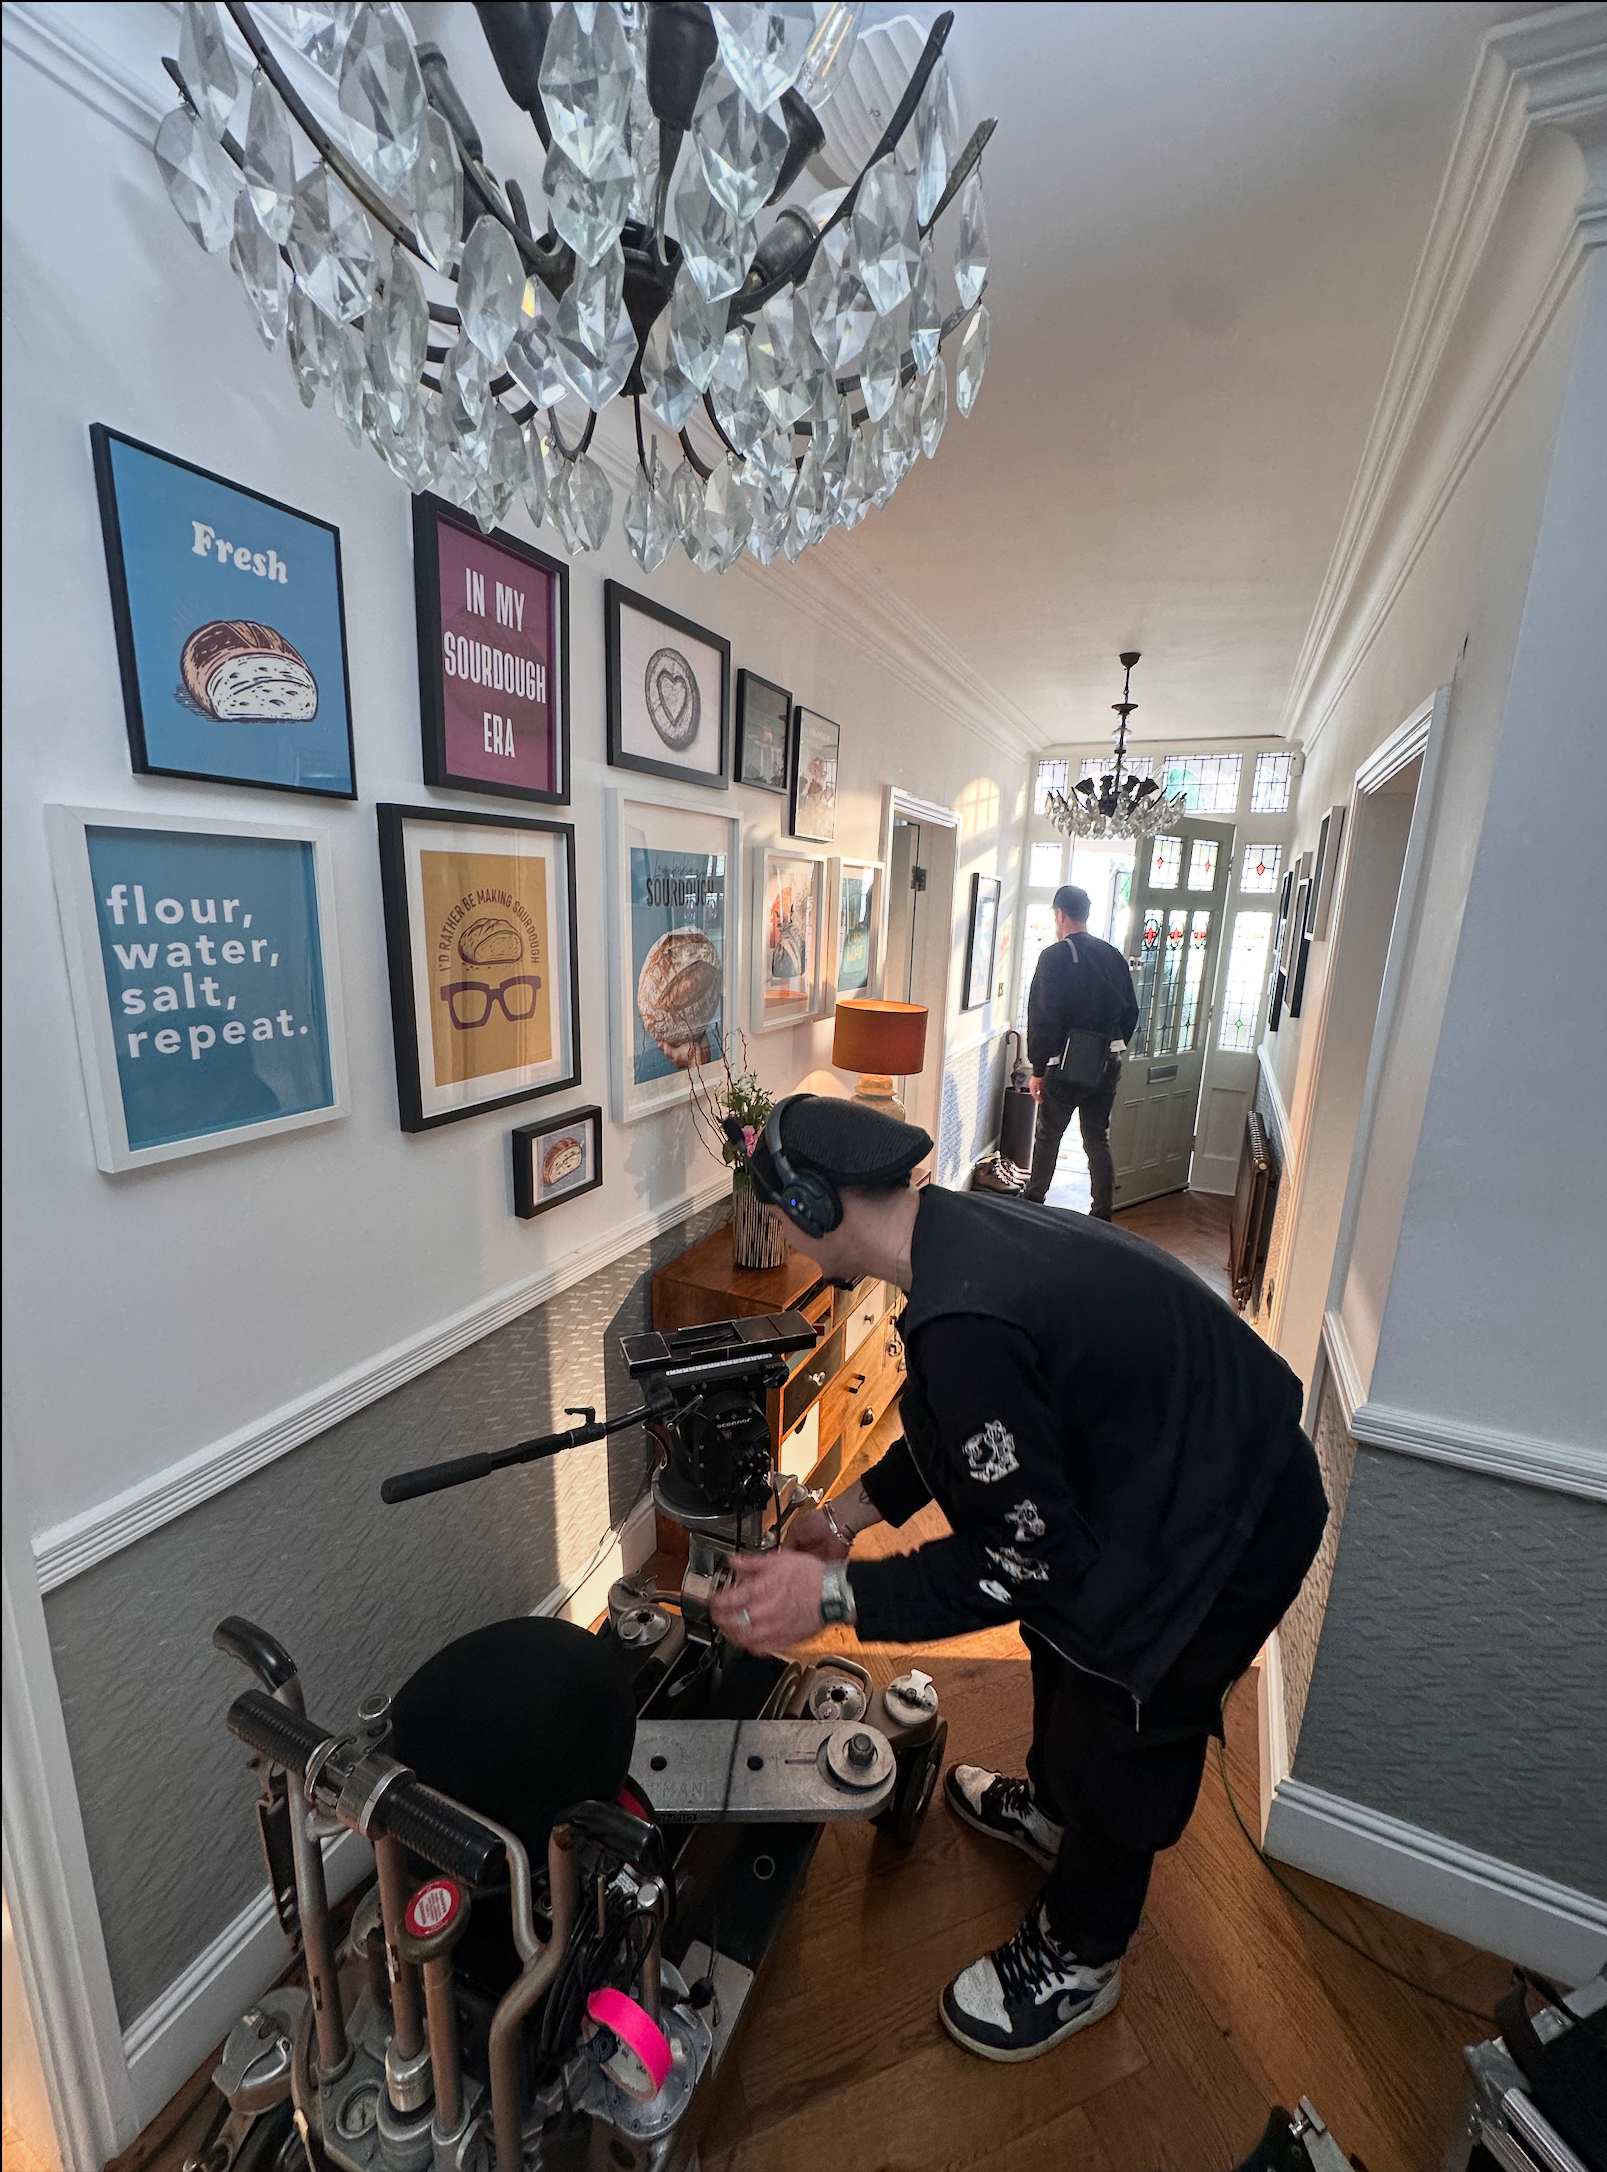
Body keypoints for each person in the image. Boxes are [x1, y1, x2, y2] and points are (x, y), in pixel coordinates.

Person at [709, 1094, 1326, 2065]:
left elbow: (1018, 1561)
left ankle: (1081, 1952)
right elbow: (968, 1432)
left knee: (1123, 1719)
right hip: (1152, 1467)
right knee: (1059, 1637)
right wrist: (842, 1518)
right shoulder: (949, 1237)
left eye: (779, 1210)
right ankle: (1052, 1811)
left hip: (1229, 1517)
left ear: (819, 1204)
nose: (777, 1231)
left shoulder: (964, 1318)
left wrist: (828, 1599)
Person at [1021, 883, 1139, 1217]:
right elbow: (1132, 1011)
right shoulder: (1112, 955)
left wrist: (1038, 1070)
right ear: (1085, 915)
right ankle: (1102, 1212)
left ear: (1060, 915)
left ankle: (1033, 1203)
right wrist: (1113, 1046)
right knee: (1097, 1137)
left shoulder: (1054, 957)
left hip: (1064, 1066)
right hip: (1107, 1063)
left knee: (1048, 1136)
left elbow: (1042, 1016)